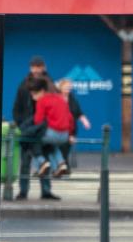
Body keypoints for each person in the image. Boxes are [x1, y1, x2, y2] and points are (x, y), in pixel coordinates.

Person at [12, 56, 57, 200]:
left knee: (43, 160)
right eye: (34, 67)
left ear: (44, 67)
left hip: (42, 127)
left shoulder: (50, 84)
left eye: (39, 66)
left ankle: (46, 191)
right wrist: (21, 123)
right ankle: (23, 191)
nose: (37, 69)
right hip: (28, 126)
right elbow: (17, 106)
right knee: (25, 161)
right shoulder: (24, 84)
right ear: (31, 68)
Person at [28, 77, 73, 184]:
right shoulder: (61, 98)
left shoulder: (42, 101)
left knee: (31, 141)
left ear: (42, 91)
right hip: (65, 135)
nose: (33, 97)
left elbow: (38, 120)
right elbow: (70, 118)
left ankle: (41, 163)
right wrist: (71, 134)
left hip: (53, 133)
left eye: (34, 94)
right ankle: (61, 163)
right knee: (52, 145)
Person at [57, 78, 91, 168]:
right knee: (59, 149)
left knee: (66, 149)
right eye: (66, 86)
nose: (68, 88)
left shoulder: (73, 99)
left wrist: (85, 121)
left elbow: (79, 112)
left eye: (69, 86)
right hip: (58, 128)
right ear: (60, 87)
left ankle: (64, 168)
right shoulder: (56, 98)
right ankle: (61, 167)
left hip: (71, 129)